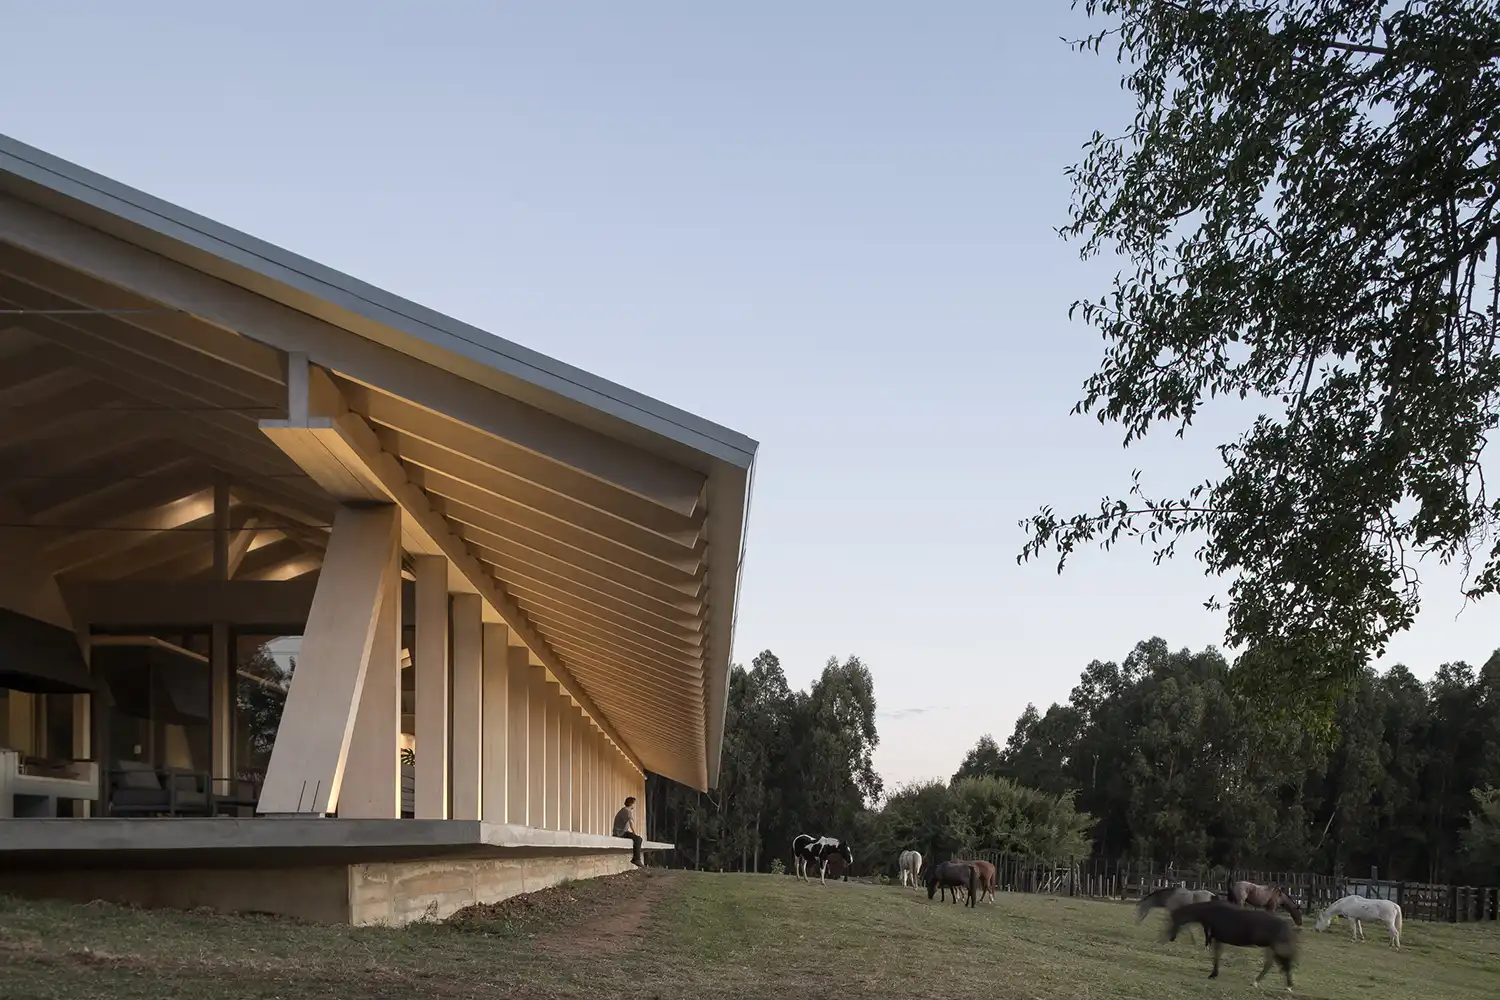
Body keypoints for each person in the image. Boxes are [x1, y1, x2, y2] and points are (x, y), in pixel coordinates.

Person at [612, 795, 643, 866]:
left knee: (638, 839)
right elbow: (631, 823)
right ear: (631, 803)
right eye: (634, 803)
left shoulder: (624, 810)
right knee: (638, 839)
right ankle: (636, 859)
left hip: (622, 832)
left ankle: (636, 859)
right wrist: (635, 833)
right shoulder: (626, 811)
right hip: (620, 833)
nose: (634, 806)